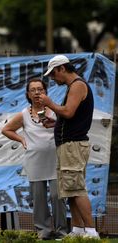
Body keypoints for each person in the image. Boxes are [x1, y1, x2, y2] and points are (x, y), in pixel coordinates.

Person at [40, 54, 100, 239]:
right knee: (71, 190)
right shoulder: (73, 86)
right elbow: (68, 116)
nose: (52, 78)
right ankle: (78, 230)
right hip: (70, 146)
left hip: (73, 146)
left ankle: (91, 231)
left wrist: (50, 104)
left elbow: (68, 111)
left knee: (76, 189)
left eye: (53, 74)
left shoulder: (77, 85)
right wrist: (54, 123)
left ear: (62, 69)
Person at [2, 78, 68, 240]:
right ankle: (43, 231)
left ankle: (61, 232)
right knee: (38, 199)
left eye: (40, 89)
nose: (37, 92)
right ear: (28, 94)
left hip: (56, 160)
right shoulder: (24, 114)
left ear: (46, 92)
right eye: (33, 90)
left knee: (56, 196)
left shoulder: (56, 110)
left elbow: (67, 127)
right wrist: (21, 140)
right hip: (34, 162)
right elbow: (6, 129)